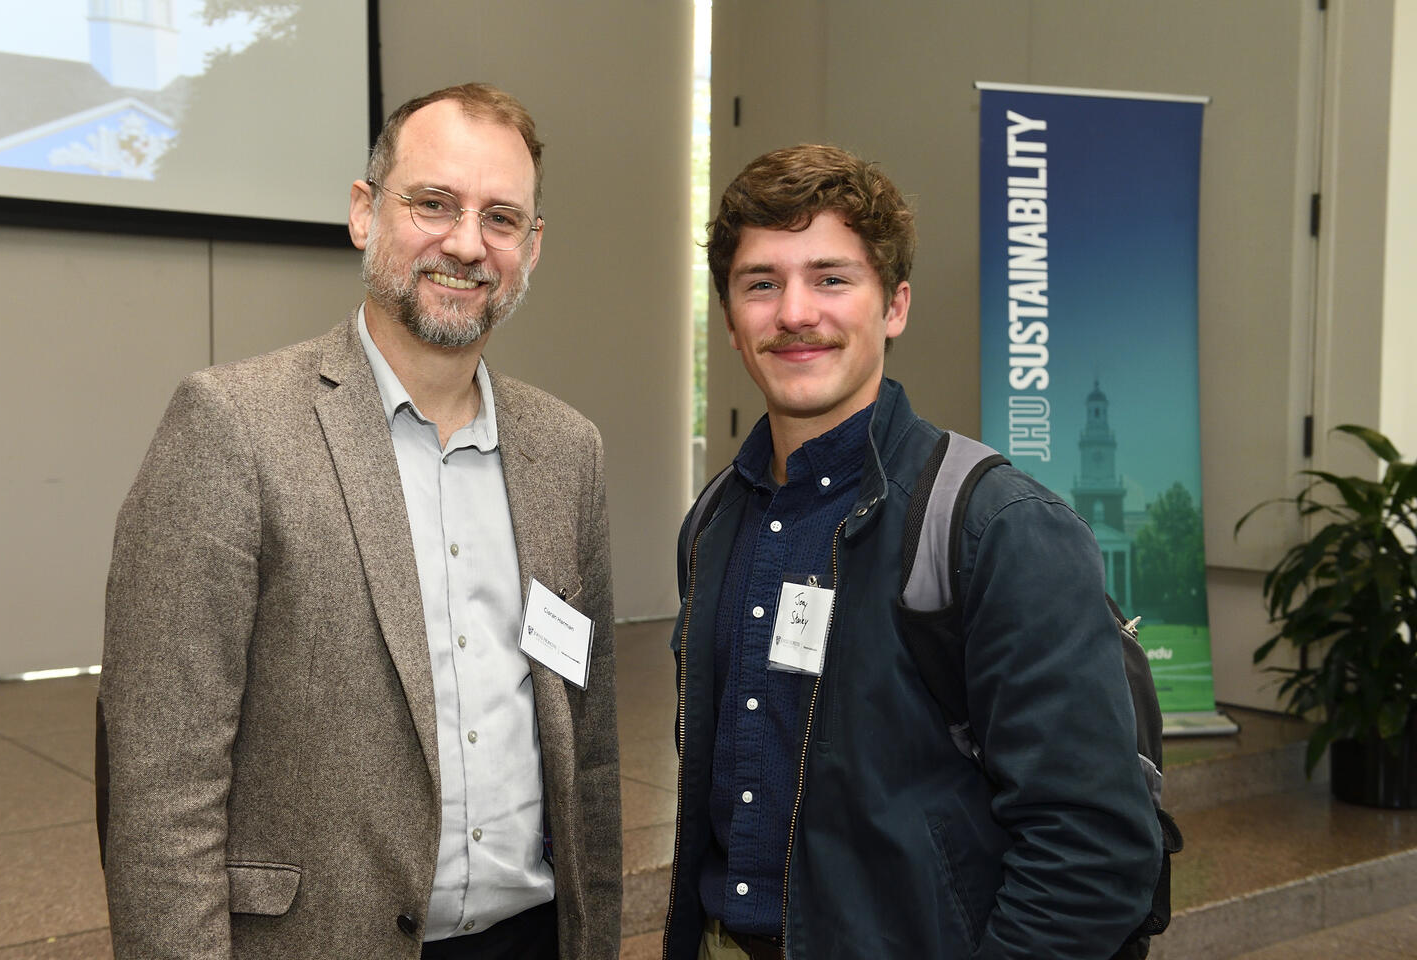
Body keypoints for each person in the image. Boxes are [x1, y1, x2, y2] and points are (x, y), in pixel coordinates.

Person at [98, 83, 620, 960]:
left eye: (500, 218)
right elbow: (159, 783)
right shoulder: (232, 425)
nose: (465, 243)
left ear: (531, 249)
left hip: (529, 938)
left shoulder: (568, 451)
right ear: (363, 212)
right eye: (433, 204)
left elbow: (590, 753)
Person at [662, 144, 1162, 960]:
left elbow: (1093, 849)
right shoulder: (714, 519)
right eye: (762, 282)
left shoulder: (993, 528)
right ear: (728, 318)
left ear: (893, 306)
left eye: (831, 278)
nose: (794, 312)